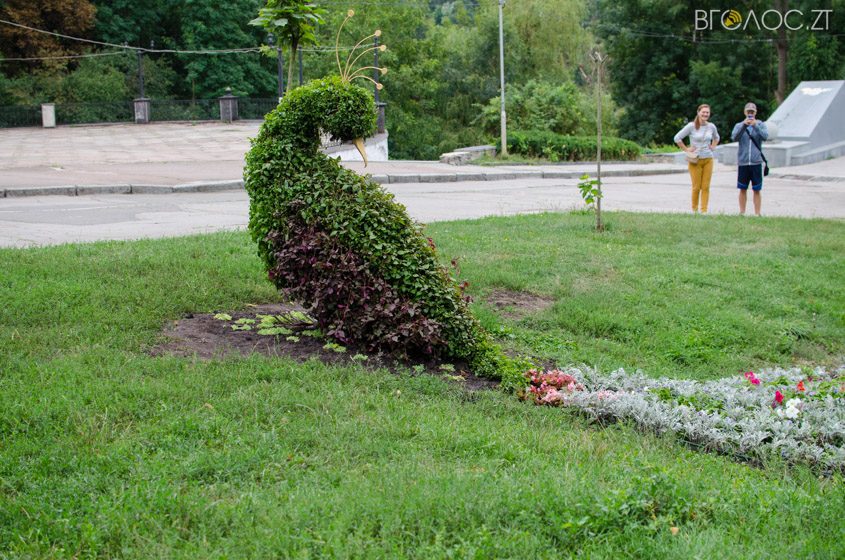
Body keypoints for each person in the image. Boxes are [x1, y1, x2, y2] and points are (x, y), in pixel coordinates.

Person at [674, 104, 720, 214]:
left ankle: (704, 211)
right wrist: (687, 149)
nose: (705, 114)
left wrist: (713, 146)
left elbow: (717, 137)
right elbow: (677, 138)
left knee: (706, 187)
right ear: (698, 112)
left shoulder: (711, 126)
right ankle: (694, 210)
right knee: (696, 187)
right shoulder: (691, 126)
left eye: (707, 112)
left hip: (708, 159)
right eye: (703, 112)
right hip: (695, 160)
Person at [730, 102, 769, 216]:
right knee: (742, 188)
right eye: (748, 111)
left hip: (756, 162)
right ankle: (742, 212)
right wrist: (744, 126)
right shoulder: (739, 125)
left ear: (755, 112)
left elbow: (765, 136)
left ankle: (757, 213)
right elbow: (734, 137)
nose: (750, 113)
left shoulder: (760, 124)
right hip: (743, 162)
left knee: (757, 189)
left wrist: (755, 125)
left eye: (752, 111)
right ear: (745, 112)